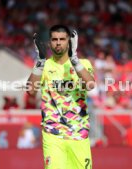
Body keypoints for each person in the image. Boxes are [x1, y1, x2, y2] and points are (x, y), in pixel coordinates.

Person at [26, 24, 95, 169]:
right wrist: (40, 61)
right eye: (54, 39)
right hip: (53, 135)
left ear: (69, 41)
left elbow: (89, 85)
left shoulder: (83, 64)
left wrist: (74, 59)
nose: (58, 43)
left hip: (79, 134)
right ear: (49, 42)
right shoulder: (44, 66)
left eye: (62, 39)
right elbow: (31, 91)